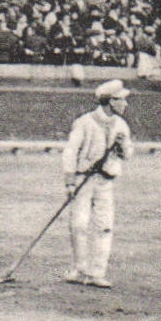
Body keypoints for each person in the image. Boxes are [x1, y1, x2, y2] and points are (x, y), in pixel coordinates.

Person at [63, 79, 134, 289]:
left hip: (106, 181)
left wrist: (122, 147)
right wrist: (69, 182)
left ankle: (97, 272)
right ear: (110, 101)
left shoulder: (121, 125)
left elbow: (128, 153)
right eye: (121, 100)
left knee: (104, 226)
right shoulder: (84, 122)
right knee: (79, 224)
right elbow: (70, 151)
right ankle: (80, 269)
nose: (125, 104)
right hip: (84, 180)